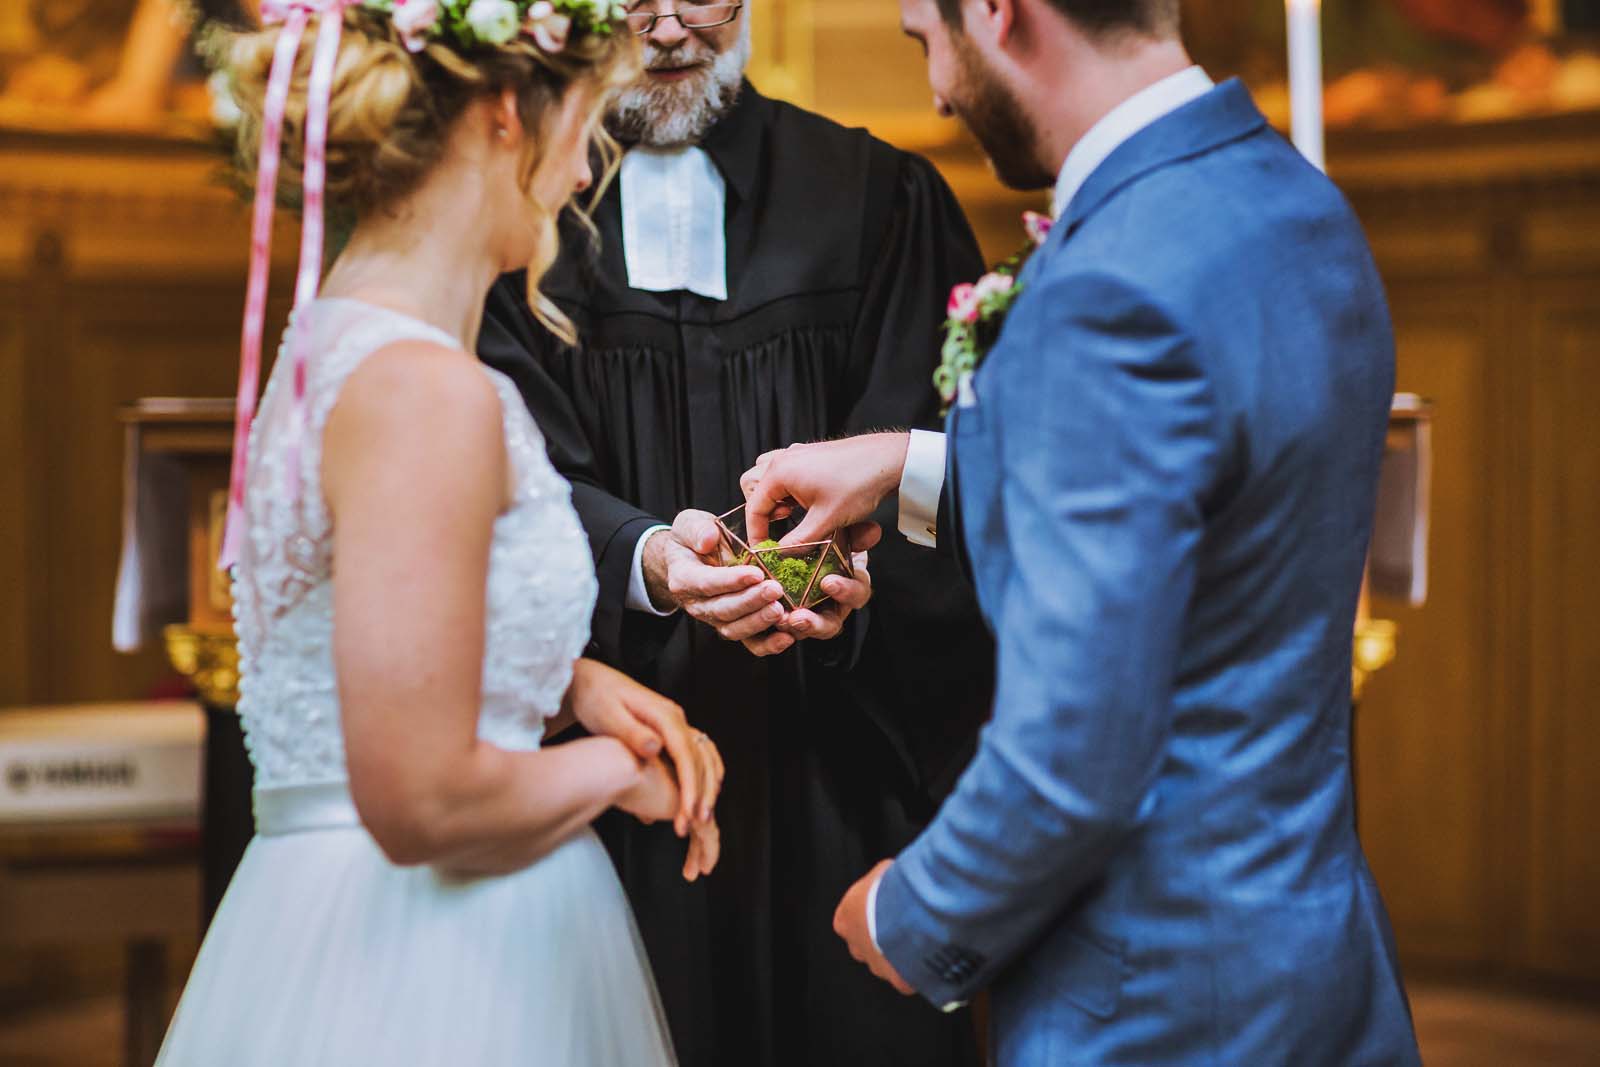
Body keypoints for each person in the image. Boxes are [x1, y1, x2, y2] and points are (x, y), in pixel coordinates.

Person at [742, 1, 1423, 1063]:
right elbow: (1206, 494)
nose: (937, 92)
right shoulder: (1289, 199)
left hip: (1151, 999)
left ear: (999, 13)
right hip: (1311, 951)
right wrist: (912, 465)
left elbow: (1070, 759)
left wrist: (911, 913)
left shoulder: (1105, 288)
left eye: (929, 41)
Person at [155, 3, 723, 1064]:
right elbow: (421, 798)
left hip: (329, 919)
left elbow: (368, 643)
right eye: (587, 113)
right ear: (511, 115)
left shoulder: (329, 337)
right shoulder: (427, 392)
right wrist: (618, 772)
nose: (586, 156)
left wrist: (566, 683)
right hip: (437, 959)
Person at [476, 3, 993, 1064]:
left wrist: (853, 587)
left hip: (836, 768)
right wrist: (642, 556)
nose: (668, 26)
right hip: (609, 768)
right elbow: (496, 457)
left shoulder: (878, 198)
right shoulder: (513, 211)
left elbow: (952, 462)